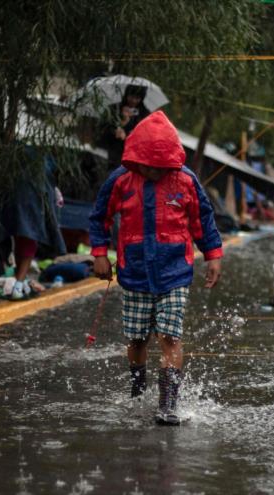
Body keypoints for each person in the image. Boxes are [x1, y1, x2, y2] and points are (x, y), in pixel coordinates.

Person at [89, 111, 223, 425]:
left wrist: (213, 255)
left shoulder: (185, 180)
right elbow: (99, 218)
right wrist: (99, 253)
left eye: (160, 166)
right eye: (148, 165)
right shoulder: (121, 179)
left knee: (169, 336)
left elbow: (203, 220)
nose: (154, 171)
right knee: (136, 339)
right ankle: (138, 387)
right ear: (137, 158)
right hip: (133, 271)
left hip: (175, 271)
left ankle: (168, 404)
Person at [0, 153, 66, 299]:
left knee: (23, 234)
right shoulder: (40, 158)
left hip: (19, 183)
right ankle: (19, 282)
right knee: (27, 233)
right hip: (28, 186)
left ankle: (19, 281)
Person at [98, 84, 151, 167]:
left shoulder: (144, 113)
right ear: (126, 95)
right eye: (131, 96)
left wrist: (135, 134)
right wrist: (116, 130)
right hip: (115, 155)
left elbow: (149, 134)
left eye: (137, 98)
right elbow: (103, 128)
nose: (133, 101)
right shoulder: (114, 109)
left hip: (135, 157)